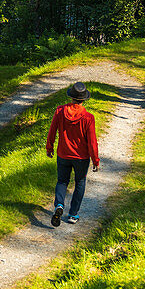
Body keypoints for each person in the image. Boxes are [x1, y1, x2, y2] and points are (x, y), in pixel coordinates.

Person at [45, 81, 99, 227]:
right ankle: (73, 215)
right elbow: (92, 142)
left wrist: (49, 147)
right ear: (84, 99)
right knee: (80, 182)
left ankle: (59, 205)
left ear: (72, 97)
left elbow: (52, 131)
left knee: (62, 181)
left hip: (63, 154)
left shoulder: (60, 111)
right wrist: (95, 160)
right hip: (81, 157)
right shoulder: (88, 117)